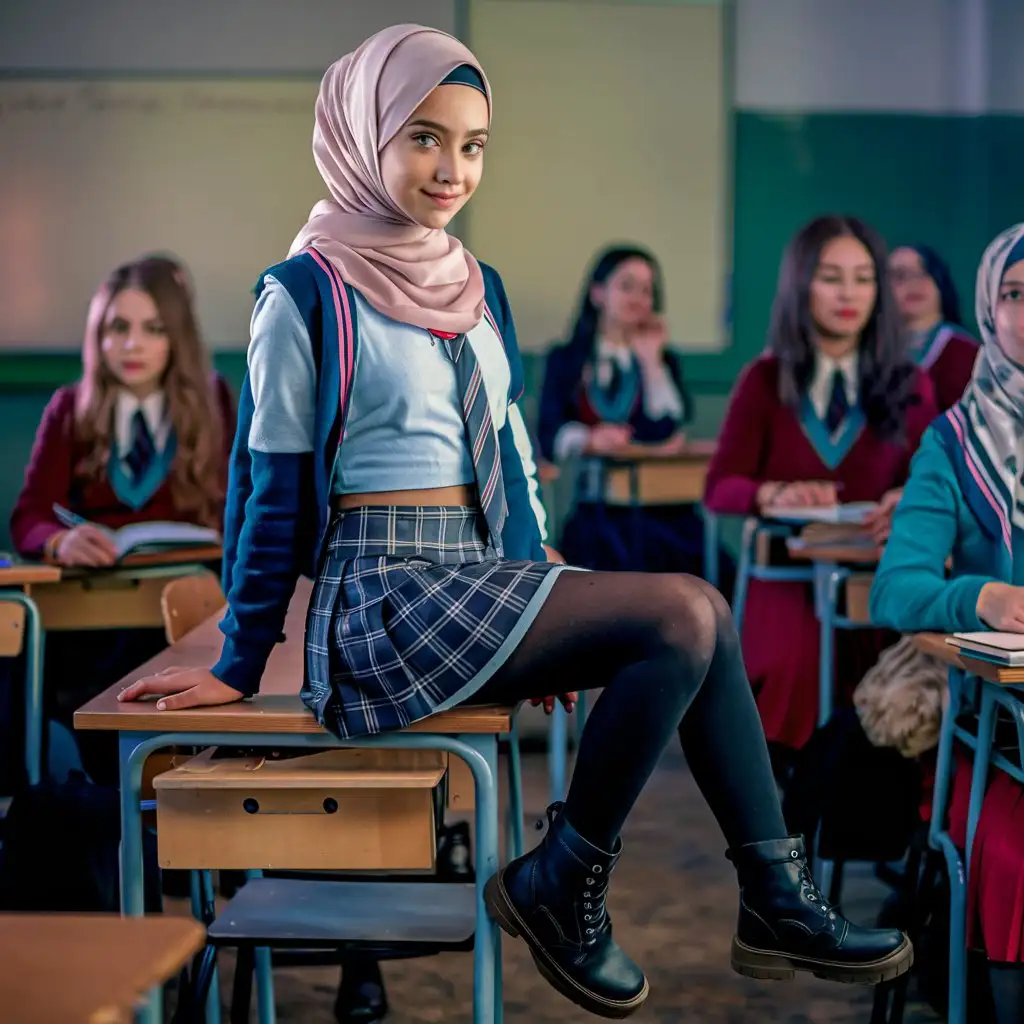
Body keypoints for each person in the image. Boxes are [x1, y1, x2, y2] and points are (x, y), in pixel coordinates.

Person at [119, 27, 912, 1018]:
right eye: (423, 138)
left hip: (477, 579)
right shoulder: (303, 295)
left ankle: (742, 894)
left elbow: (509, 461)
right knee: (685, 614)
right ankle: (636, 883)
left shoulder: (473, 284)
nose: (452, 169)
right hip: (380, 600)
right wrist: (238, 660)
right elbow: (270, 494)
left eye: (474, 144)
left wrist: (539, 590)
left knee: (691, 615)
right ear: (363, 135)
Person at [703, 216, 938, 756]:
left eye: (863, 278)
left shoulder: (911, 382)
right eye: (832, 277)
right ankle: (790, 807)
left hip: (879, 576)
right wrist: (770, 494)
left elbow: (935, 481)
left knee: (896, 670)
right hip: (788, 577)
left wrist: (912, 498)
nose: (848, 294)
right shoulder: (765, 380)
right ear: (801, 284)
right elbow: (720, 488)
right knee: (796, 667)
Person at [871, 224, 1024, 1024]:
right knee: (1013, 859)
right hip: (1001, 742)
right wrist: (983, 598)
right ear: (988, 312)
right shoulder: (954, 443)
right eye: (1015, 294)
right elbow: (894, 591)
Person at [7, 255, 234, 784]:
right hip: (92, 622)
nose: (132, 345)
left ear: (176, 336)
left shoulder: (214, 402)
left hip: (184, 616)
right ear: (98, 336)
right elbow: (29, 516)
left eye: (153, 329)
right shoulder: (70, 410)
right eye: (118, 328)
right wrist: (61, 541)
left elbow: (240, 507)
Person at [537, 245, 706, 574]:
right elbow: (549, 431)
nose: (639, 298)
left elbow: (669, 429)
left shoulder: (662, 359)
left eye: (647, 291)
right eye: (627, 286)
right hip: (599, 509)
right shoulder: (567, 359)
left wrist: (652, 363)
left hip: (663, 509)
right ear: (598, 293)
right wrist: (589, 438)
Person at [888, 244, 978, 411]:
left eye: (923, 273)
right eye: (899, 276)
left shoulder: (966, 353)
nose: (913, 284)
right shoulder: (872, 352)